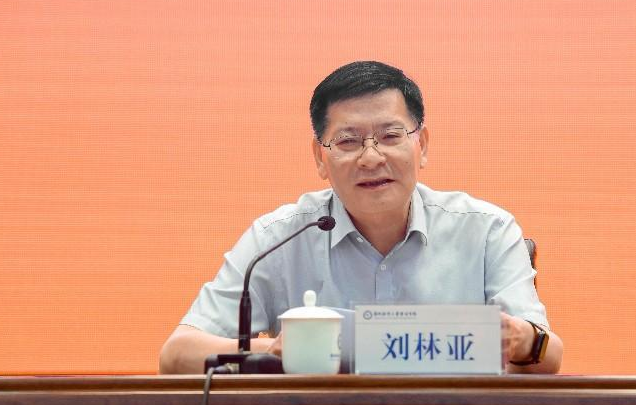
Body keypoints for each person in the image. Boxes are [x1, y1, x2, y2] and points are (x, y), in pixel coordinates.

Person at [159, 61, 563, 374]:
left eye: (390, 136)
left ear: (421, 145)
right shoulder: (279, 237)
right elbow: (177, 355)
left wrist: (522, 340)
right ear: (321, 157)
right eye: (348, 141)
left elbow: (548, 356)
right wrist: (274, 351)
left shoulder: (486, 230)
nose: (371, 158)